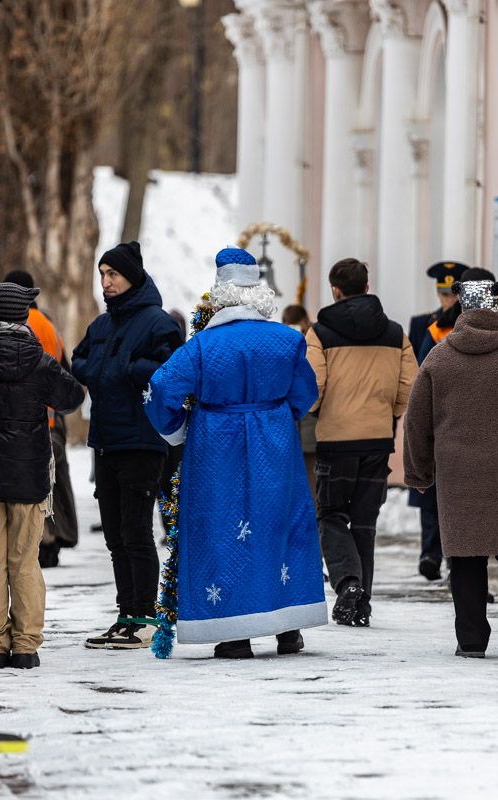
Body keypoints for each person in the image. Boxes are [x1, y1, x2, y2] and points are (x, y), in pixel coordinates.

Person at [145, 247, 326, 659]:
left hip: (215, 446)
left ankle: (233, 632)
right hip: (275, 443)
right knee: (281, 526)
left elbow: (161, 388)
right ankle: (288, 628)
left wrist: (176, 431)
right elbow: (306, 393)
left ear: (220, 294)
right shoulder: (287, 340)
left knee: (223, 529)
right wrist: (280, 414)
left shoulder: (203, 347)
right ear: (257, 291)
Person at [404, 279, 498, 658]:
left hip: (460, 479)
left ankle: (471, 639)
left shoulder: (440, 358)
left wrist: (419, 474)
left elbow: (416, 423)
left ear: (463, 310)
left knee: (466, 559)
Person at [73, 241, 184, 650]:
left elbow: (173, 372)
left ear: (131, 277)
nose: (106, 282)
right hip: (106, 440)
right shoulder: (103, 325)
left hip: (142, 440)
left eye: (113, 274)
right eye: (102, 274)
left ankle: (146, 617)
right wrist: (100, 371)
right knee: (116, 535)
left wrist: (130, 369)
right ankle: (126, 614)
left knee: (137, 531)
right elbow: (79, 359)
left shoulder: (157, 323)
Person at [306, 259, 417, 628]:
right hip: (377, 439)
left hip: (336, 439)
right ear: (367, 286)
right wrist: (389, 413)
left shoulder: (319, 333)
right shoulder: (395, 332)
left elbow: (314, 387)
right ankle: (360, 603)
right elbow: (408, 386)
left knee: (331, 515)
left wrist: (320, 412)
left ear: (335, 289)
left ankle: (348, 584)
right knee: (365, 522)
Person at [0, 283, 84, 669]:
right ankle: (25, 646)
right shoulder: (39, 360)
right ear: (24, 316)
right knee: (25, 561)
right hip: (31, 476)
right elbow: (72, 398)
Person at [3, 269, 79, 568]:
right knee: (55, 483)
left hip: (23, 420)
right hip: (51, 417)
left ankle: (45, 541)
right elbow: (66, 372)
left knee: (34, 491)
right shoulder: (48, 324)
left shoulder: (14, 325)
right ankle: (59, 537)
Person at [408, 260, 469, 581]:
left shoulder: (470, 324)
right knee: (429, 489)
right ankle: (430, 552)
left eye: (452, 293)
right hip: (435, 417)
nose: (447, 300)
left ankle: (452, 554)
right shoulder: (423, 325)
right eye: (443, 294)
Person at [283, 304, 319, 495]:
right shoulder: (281, 345)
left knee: (312, 480)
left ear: (306, 322)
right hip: (291, 428)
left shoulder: (317, 342)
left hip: (312, 425)